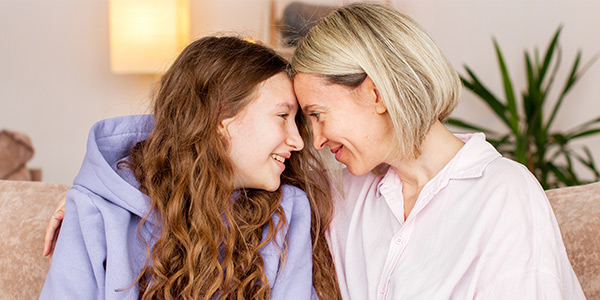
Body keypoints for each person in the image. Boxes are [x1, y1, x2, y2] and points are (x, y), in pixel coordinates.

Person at [290, 3, 585, 299]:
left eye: (317, 115)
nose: (316, 141)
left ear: (375, 94)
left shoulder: (502, 192)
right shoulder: (341, 196)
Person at [40, 36, 341, 299]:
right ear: (221, 118)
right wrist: (93, 196)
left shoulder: (288, 211)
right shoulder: (96, 211)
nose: (298, 141)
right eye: (281, 116)